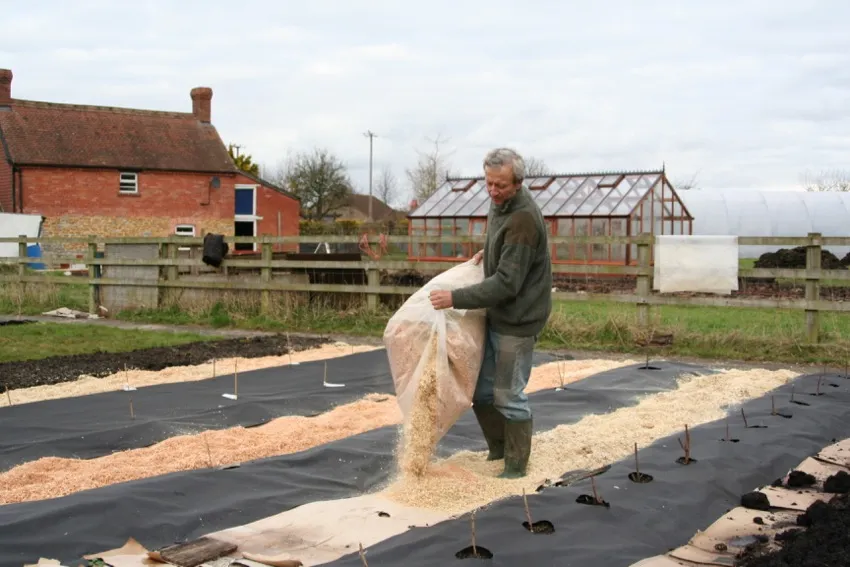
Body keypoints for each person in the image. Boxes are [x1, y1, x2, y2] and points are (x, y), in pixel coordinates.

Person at [429, 147, 553, 478]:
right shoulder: (500, 204)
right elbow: (505, 243)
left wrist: (454, 298)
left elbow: (507, 284)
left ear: (518, 183)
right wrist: (493, 250)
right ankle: (497, 449)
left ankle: (515, 466)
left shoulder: (523, 217)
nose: (493, 191)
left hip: (519, 317)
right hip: (498, 315)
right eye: (489, 184)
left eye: (501, 185)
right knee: (483, 391)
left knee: (509, 394)